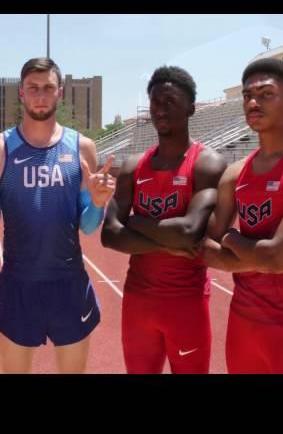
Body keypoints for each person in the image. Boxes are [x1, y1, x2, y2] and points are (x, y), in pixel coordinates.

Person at [0, 57, 115, 373]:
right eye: (33, 88)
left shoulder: (81, 147)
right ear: (21, 93)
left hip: (69, 282)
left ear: (60, 92)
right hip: (19, 282)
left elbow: (88, 227)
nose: (41, 95)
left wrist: (99, 203)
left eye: (48, 88)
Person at [202, 58, 283, 374]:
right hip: (242, 323)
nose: (253, 102)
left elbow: (277, 259)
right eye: (247, 95)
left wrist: (232, 239)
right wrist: (256, 255)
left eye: (265, 93)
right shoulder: (235, 174)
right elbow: (202, 247)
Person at [101, 66, 226, 374]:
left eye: (170, 101)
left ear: (191, 108)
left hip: (186, 303)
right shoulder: (134, 166)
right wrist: (168, 245)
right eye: (155, 102)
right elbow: (109, 235)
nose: (160, 109)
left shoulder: (207, 163)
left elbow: (188, 232)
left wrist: (136, 222)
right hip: (137, 301)